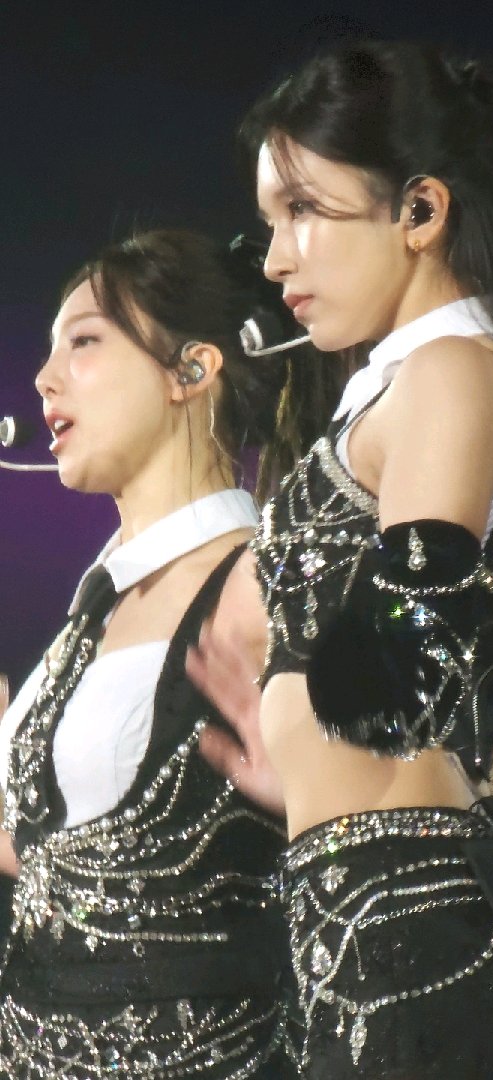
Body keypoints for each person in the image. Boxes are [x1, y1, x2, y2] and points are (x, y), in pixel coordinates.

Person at [192, 41, 493, 1079]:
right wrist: (293, 749)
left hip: (417, 934)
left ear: (419, 211)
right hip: (382, 919)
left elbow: (407, 650)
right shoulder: (474, 386)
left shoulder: (453, 373)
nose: (274, 260)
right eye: (269, 222)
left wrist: (304, 696)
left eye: (303, 212)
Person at [0, 228, 334, 1078]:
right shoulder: (86, 620)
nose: (44, 380)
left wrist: (321, 798)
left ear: (191, 369)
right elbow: (64, 866)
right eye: (49, 351)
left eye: (84, 342)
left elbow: (427, 804)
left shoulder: (263, 588)